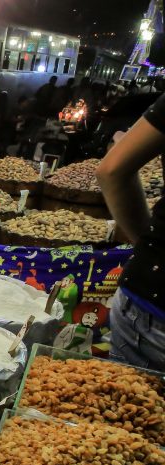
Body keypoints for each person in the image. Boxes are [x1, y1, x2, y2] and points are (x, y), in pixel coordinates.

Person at [96, 95, 165, 371]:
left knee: (125, 408)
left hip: (151, 303)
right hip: (152, 313)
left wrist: (147, 244)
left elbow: (112, 170)